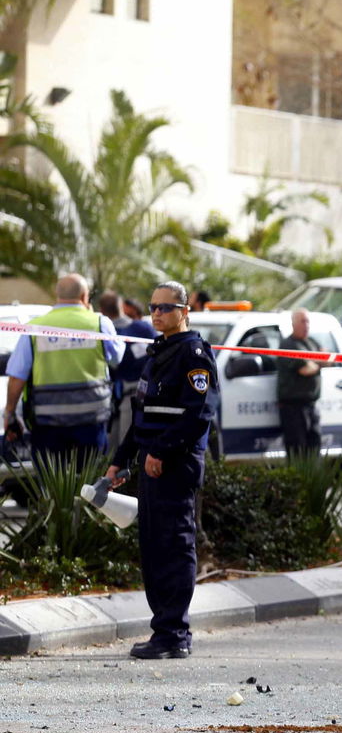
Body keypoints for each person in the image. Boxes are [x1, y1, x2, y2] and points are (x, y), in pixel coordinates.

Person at [105, 281, 218, 660]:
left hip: (175, 465)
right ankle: (163, 630)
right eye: (153, 307)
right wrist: (119, 461)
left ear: (184, 311)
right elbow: (143, 418)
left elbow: (198, 415)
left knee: (174, 546)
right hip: (151, 464)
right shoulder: (158, 353)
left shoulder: (194, 354)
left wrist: (163, 452)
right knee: (154, 547)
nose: (156, 313)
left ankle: (175, 634)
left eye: (165, 308)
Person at [3, 274, 123, 465]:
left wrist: (9, 415)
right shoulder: (99, 323)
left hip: (48, 424)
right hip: (91, 422)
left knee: (52, 488)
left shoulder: (35, 327)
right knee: (88, 486)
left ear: (57, 295)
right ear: (85, 296)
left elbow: (17, 376)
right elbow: (117, 358)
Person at [101, 291, 156, 446]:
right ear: (121, 306)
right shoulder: (144, 328)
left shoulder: (103, 331)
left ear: (102, 310)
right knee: (121, 448)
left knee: (121, 450)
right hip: (131, 396)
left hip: (126, 396)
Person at [276, 307, 322, 458]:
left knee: (314, 449)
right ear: (293, 323)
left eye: (308, 321)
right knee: (297, 451)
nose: (306, 325)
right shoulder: (289, 345)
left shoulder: (312, 342)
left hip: (311, 405)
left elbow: (326, 358)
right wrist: (318, 362)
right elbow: (305, 369)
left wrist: (315, 362)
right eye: (302, 321)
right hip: (293, 408)